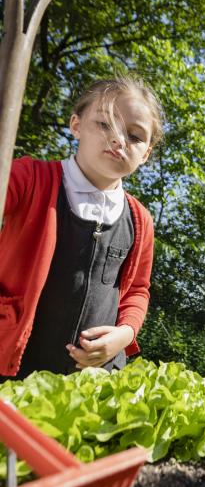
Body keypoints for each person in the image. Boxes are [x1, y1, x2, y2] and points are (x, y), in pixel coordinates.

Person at [0, 77, 163, 379]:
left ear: (146, 154)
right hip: (13, 368)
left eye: (135, 136)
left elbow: (137, 291)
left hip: (94, 380)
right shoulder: (29, 177)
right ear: (76, 125)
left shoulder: (140, 220)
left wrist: (124, 335)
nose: (118, 139)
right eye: (105, 124)